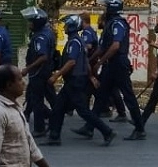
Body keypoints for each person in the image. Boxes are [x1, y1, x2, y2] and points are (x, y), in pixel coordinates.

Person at [45, 15, 116, 147]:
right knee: (58, 108)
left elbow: (72, 62)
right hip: (76, 80)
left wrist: (56, 76)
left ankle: (107, 131)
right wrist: (91, 77)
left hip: (74, 81)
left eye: (66, 25)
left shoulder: (74, 42)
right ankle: (54, 136)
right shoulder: (78, 41)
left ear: (72, 26)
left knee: (82, 111)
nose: (64, 27)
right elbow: (86, 62)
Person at [86, 0, 145, 140]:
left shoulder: (118, 23)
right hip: (110, 64)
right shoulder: (110, 23)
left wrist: (99, 62)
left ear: (112, 8)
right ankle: (89, 127)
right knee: (101, 96)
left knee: (128, 96)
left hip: (118, 63)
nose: (104, 10)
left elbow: (115, 46)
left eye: (106, 7)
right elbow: (103, 47)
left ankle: (139, 128)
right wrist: (91, 59)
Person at [20, 7, 56, 137]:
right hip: (44, 71)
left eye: (31, 22)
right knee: (50, 99)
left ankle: (40, 128)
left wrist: (27, 69)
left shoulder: (40, 37)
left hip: (39, 73)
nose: (29, 24)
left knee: (37, 101)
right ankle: (54, 121)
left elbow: (43, 56)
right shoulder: (46, 32)